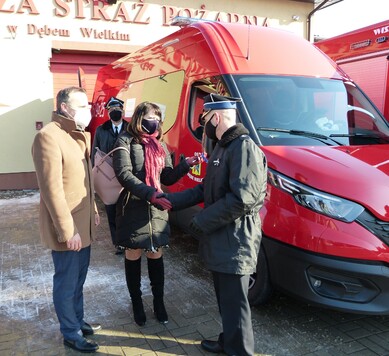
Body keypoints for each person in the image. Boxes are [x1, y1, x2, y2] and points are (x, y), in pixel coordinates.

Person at [166, 93, 268, 355]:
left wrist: (201, 222)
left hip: (236, 240)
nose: (204, 126)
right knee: (227, 301)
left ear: (216, 116)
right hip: (222, 237)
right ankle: (228, 342)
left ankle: (240, 350)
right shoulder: (222, 146)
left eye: (205, 119)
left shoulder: (243, 147)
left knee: (236, 304)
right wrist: (169, 201)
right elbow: (205, 189)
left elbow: (242, 199)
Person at [112, 101, 200, 326]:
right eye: (152, 117)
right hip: (132, 207)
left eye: (158, 118)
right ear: (141, 117)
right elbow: (124, 175)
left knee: (155, 255)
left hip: (156, 208)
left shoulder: (160, 145)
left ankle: (159, 302)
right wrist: (149, 192)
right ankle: (137, 303)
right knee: (133, 255)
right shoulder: (125, 141)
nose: (156, 122)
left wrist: (185, 165)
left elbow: (167, 177)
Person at [31, 86, 101, 353]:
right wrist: (66, 230)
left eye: (88, 105)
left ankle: (77, 319)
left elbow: (84, 181)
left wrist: (93, 209)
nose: (89, 110)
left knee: (79, 279)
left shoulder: (75, 135)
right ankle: (70, 332)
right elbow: (52, 190)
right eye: (81, 106)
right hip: (68, 227)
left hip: (83, 224)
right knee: (66, 281)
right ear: (63, 108)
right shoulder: (48, 137)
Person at [91, 96, 128, 255]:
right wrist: (95, 176)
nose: (115, 112)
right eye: (111, 110)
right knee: (111, 211)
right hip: (107, 178)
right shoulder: (101, 129)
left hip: (126, 175)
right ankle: (118, 243)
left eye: (117, 109)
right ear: (107, 112)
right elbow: (95, 153)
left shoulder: (130, 127)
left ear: (123, 110)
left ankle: (128, 240)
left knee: (126, 211)